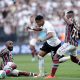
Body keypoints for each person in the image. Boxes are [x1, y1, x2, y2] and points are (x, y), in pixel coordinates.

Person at [49, 10, 80, 78]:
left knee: (56, 57)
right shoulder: (76, 23)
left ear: (70, 15)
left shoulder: (71, 21)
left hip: (69, 43)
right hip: (75, 44)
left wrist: (63, 16)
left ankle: (52, 76)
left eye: (67, 15)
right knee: (74, 59)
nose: (66, 16)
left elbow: (70, 23)